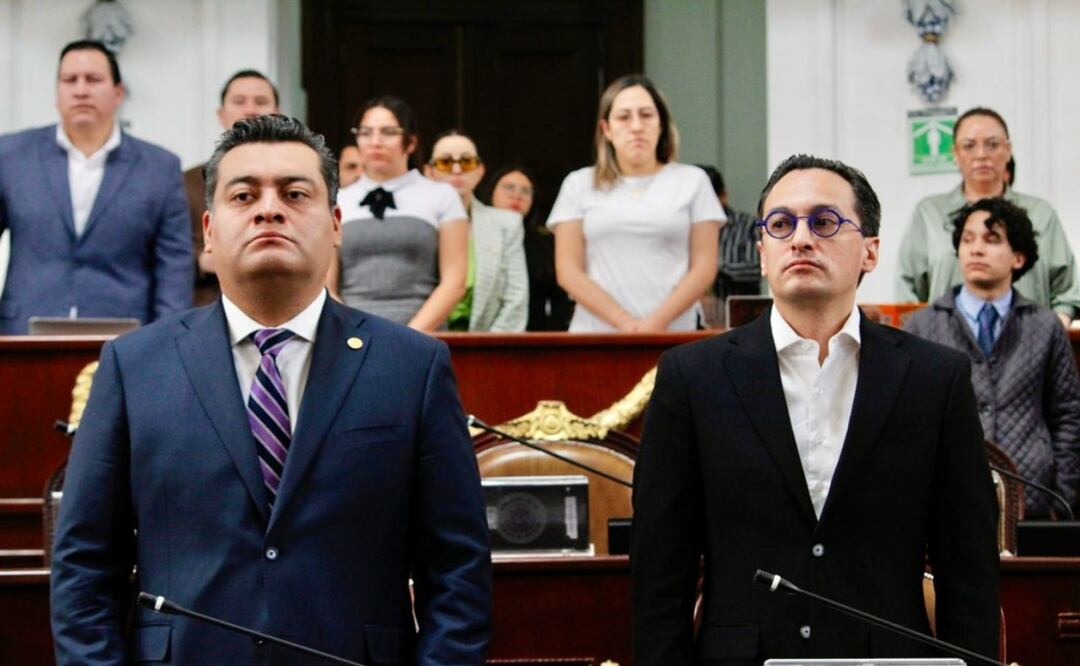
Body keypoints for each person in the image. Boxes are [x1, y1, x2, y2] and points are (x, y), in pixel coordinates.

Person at [50, 115, 492, 664]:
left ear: (336, 223)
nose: (269, 208)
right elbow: (86, 565)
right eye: (244, 195)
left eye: (294, 193)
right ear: (209, 232)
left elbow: (457, 568)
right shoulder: (134, 366)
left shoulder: (412, 366)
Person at [631, 154, 999, 663]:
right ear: (761, 253)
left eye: (824, 222)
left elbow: (969, 567)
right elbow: (660, 569)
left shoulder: (935, 379)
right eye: (780, 225)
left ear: (870, 251)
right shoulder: (693, 377)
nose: (800, 238)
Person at [0, 39, 192, 333]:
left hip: (126, 336)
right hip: (24, 329)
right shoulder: (11, 155)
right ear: (57, 92)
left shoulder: (159, 167)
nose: (80, 90)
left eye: (93, 79)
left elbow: (174, 267)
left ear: (118, 93)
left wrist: (166, 340)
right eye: (69, 80)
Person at [905, 197, 1080, 517]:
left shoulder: (1045, 327)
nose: (976, 249)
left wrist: (1060, 501)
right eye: (967, 239)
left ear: (1018, 257)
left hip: (1033, 501)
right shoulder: (922, 325)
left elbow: (1068, 417)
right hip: (946, 504)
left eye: (991, 239)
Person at [547, 74, 723, 332]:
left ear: (661, 124)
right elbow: (568, 271)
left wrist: (655, 323)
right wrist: (623, 322)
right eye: (624, 117)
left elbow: (704, 268)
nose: (636, 126)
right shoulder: (578, 184)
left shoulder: (693, 181)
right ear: (606, 129)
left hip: (673, 334)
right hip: (595, 335)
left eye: (646, 115)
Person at [897, 106, 1080, 325]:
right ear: (955, 153)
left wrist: (1051, 332)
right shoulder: (929, 213)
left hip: (1028, 347)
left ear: (1008, 149)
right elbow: (907, 292)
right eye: (969, 145)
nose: (981, 154)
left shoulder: (1041, 214)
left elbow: (1068, 291)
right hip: (945, 348)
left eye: (992, 144)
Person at [330, 95, 469, 331]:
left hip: (424, 336)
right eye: (365, 132)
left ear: (411, 142)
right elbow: (326, 286)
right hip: (351, 335)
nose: (376, 141)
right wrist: (354, 334)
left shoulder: (442, 196)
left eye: (388, 132)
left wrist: (407, 338)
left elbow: (455, 281)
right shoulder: (337, 200)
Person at [184, 69, 280, 304]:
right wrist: (201, 260)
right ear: (221, 114)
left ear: (277, 113)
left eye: (261, 101)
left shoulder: (298, 179)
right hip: (207, 306)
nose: (250, 110)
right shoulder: (187, 182)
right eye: (239, 102)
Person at [423, 130, 527, 332]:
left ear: (480, 170)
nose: (456, 170)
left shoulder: (506, 224)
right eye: (445, 162)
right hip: (420, 345)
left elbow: (516, 301)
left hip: (487, 352)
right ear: (428, 171)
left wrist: (485, 353)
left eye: (467, 162)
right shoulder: (415, 224)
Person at [489, 164, 574, 331]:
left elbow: (560, 301)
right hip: (481, 335)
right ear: (491, 191)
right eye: (509, 188)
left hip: (536, 340)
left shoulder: (545, 243)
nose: (517, 195)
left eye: (526, 191)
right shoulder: (470, 235)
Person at [697, 164, 761, 327]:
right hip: (689, 324)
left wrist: (710, 267)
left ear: (723, 196)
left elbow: (758, 268)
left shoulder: (748, 225)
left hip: (740, 323)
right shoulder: (681, 229)